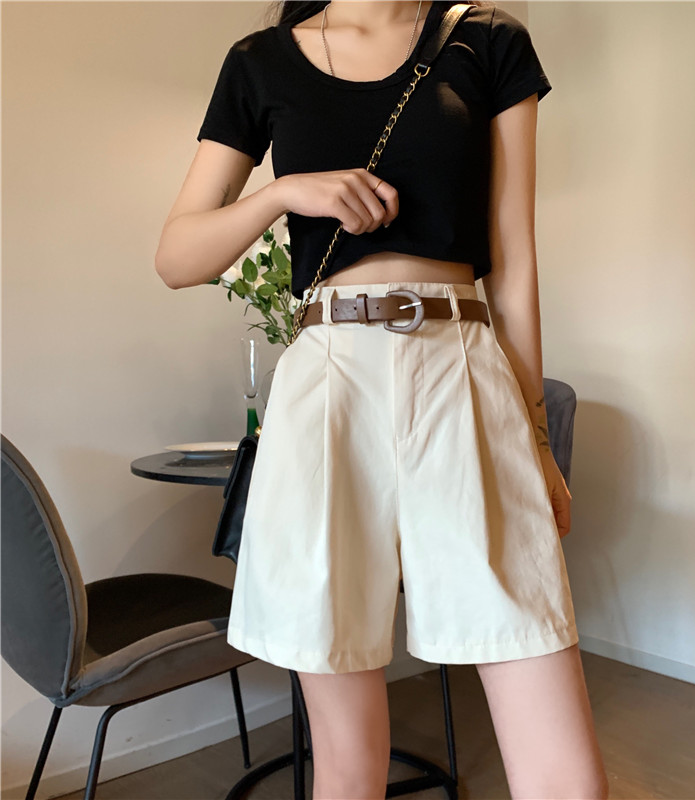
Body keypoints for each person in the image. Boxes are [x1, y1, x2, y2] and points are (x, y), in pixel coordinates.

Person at [155, 2, 609, 798]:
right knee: (347, 765)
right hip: (327, 377)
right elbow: (176, 257)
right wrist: (282, 194)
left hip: (462, 361)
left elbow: (515, 258)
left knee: (559, 755)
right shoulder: (260, 61)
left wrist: (537, 437)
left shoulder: (487, 41)